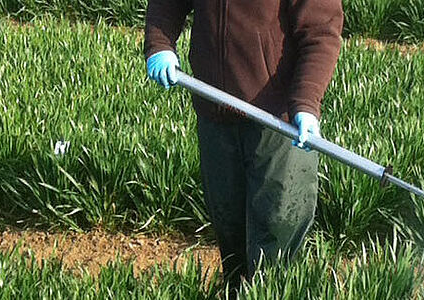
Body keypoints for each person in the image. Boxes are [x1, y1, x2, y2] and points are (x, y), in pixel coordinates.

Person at [141, 0, 344, 292]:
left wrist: (306, 103)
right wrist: (159, 44)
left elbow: (321, 32)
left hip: (276, 124)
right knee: (230, 234)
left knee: (276, 238)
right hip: (215, 115)